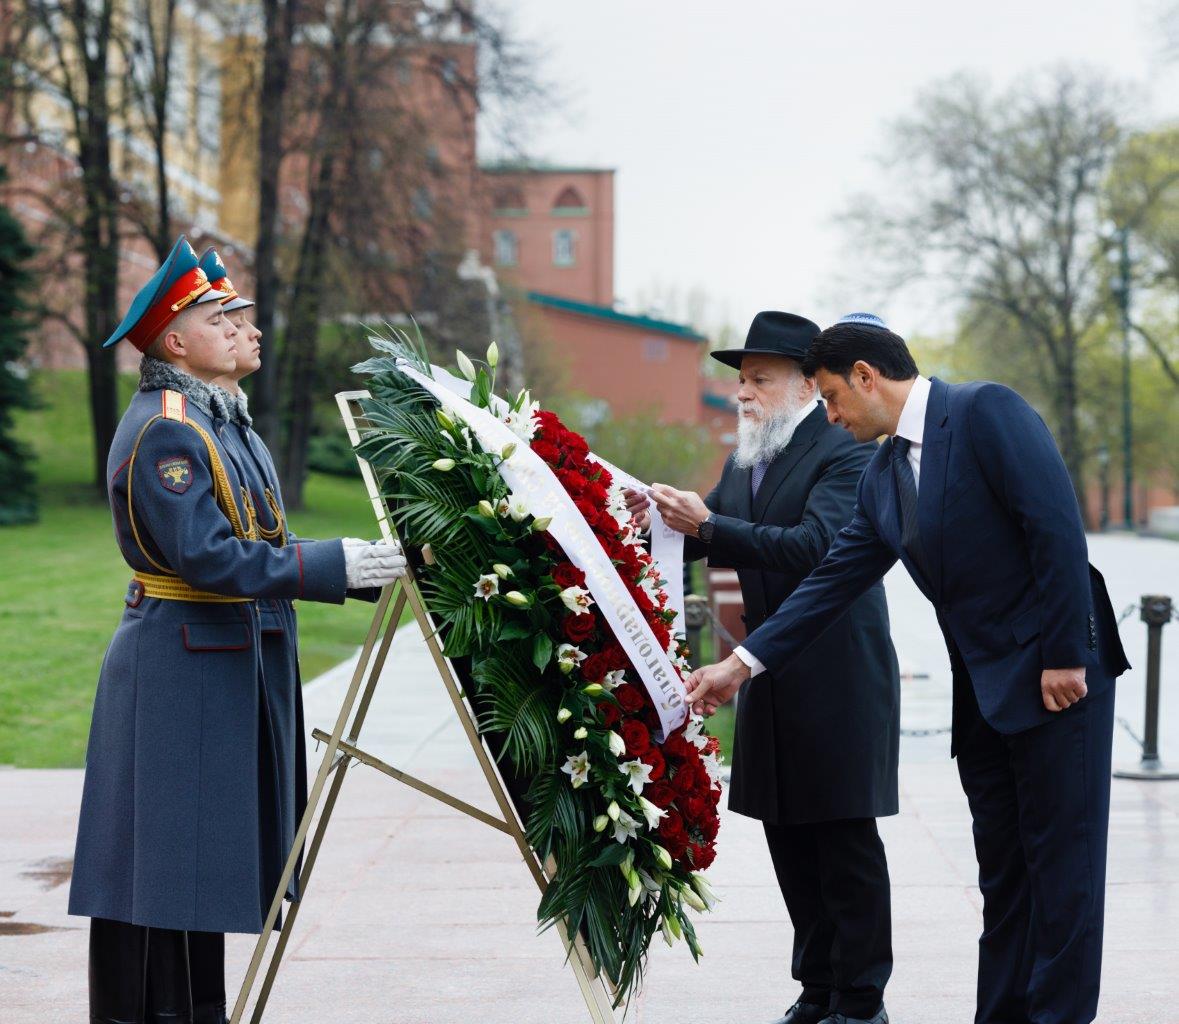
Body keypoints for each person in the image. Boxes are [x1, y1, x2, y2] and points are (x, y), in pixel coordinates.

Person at [685, 314, 1130, 1024]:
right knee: (1005, 879)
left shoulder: (985, 411)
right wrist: (739, 667)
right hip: (984, 698)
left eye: (830, 397)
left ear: (866, 377)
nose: (828, 415)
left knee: (1065, 880)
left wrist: (1063, 657)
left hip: (1057, 684)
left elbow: (1053, 527)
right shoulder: (886, 473)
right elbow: (831, 580)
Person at [68, 236, 408, 1024]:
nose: (245, 330)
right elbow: (209, 558)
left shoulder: (225, 422)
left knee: (193, 869)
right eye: (223, 318)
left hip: (218, 660)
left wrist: (353, 566)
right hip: (179, 665)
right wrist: (336, 566)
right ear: (176, 342)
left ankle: (196, 1010)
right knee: (158, 869)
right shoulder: (167, 431)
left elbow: (255, 539)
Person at [628, 311, 898, 1024]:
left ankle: (861, 1000)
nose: (742, 393)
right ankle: (816, 990)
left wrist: (708, 527)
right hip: (767, 672)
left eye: (758, 380)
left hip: (838, 675)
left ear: (808, 383)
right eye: (739, 381)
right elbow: (707, 536)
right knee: (788, 836)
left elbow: (817, 547)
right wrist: (640, 516)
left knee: (841, 840)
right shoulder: (747, 456)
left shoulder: (847, 449)